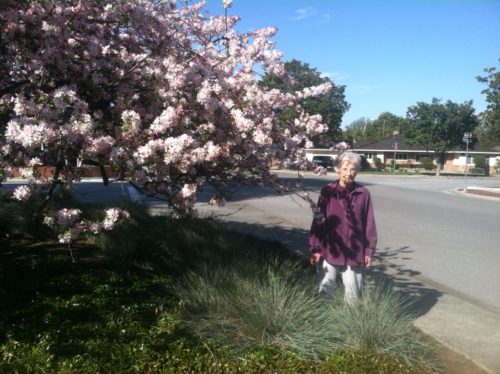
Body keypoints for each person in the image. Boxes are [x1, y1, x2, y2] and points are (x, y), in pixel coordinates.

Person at [308, 152, 377, 304]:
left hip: (354, 252)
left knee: (353, 295)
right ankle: (323, 319)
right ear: (338, 170)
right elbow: (318, 220)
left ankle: (348, 324)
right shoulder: (328, 191)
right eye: (345, 169)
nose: (348, 173)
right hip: (330, 250)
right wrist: (315, 248)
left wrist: (368, 251)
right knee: (325, 291)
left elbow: (369, 223)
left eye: (352, 169)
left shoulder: (363, 194)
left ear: (357, 171)